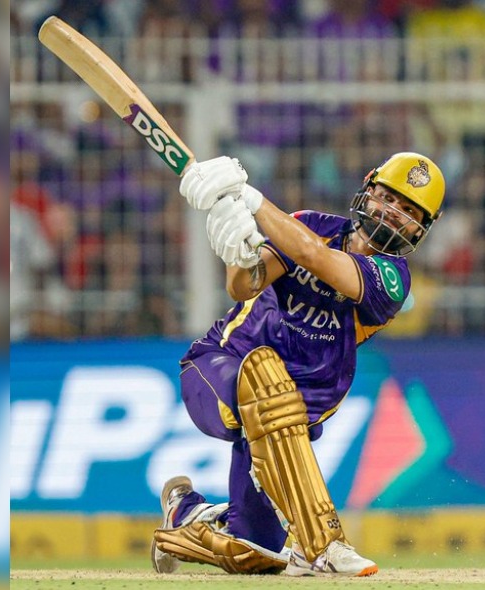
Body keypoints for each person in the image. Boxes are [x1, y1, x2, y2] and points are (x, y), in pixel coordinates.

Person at [151, 152, 445, 576]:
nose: (393, 212)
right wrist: (236, 250)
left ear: (422, 228)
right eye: (388, 197)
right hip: (222, 366)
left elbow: (315, 258)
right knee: (267, 381)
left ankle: (186, 514)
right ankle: (324, 544)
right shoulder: (310, 224)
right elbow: (243, 286)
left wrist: (249, 198)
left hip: (290, 416)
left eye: (409, 211)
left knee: (255, 554)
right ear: (367, 189)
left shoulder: (392, 280)